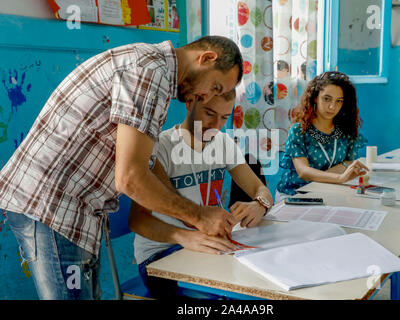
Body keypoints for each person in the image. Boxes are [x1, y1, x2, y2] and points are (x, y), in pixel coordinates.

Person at [0, 35, 243, 300]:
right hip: (52, 205)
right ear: (206, 58)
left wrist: (193, 218)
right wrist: (198, 217)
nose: (205, 96)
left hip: (73, 209)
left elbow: (146, 163)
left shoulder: (154, 71)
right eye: (215, 87)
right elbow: (130, 178)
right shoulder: (149, 72)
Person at [130, 90, 273, 299]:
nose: (216, 125)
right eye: (209, 113)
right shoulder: (161, 147)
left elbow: (261, 190)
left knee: (259, 279)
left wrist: (260, 205)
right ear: (189, 103)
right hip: (160, 256)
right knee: (220, 293)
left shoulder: (222, 142)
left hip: (210, 247)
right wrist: (184, 237)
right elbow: (137, 220)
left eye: (224, 117)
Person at [276, 71, 368, 203]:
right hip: (295, 194)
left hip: (328, 190)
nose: (332, 106)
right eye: (326, 99)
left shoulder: (345, 131)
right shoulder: (299, 131)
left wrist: (328, 174)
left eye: (339, 101)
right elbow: (303, 171)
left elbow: (349, 163)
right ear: (315, 97)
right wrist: (339, 177)